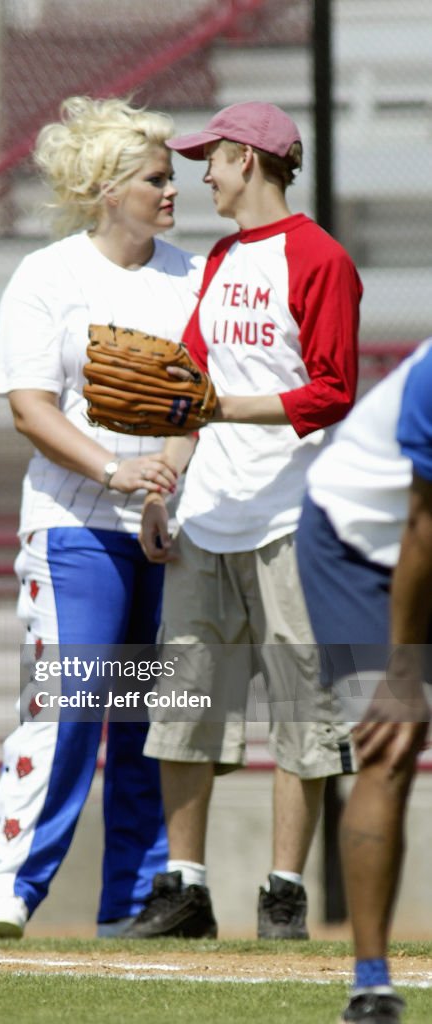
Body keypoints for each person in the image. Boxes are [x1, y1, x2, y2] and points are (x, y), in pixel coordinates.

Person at [123, 101, 363, 940]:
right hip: (207, 519)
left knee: (302, 711)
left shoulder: (320, 258)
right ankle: (184, 888)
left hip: (292, 521)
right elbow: (193, 388)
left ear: (250, 160)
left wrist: (226, 405)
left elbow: (331, 390)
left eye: (213, 160)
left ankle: (283, 894)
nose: (203, 175)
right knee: (182, 703)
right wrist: (163, 485)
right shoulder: (220, 259)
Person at [0, 95, 205, 938]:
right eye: (155, 178)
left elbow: (195, 412)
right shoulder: (46, 275)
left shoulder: (190, 277)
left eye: (172, 177)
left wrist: (161, 487)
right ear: (109, 189)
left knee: (148, 724)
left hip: (161, 530)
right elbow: (31, 409)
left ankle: (134, 910)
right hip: (72, 528)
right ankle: (10, 888)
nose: (172, 191)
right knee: (69, 709)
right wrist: (114, 471)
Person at [296, 339, 432, 1023]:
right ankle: (370, 984)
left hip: (418, 539)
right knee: (390, 743)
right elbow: (421, 527)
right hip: (354, 542)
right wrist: (402, 674)